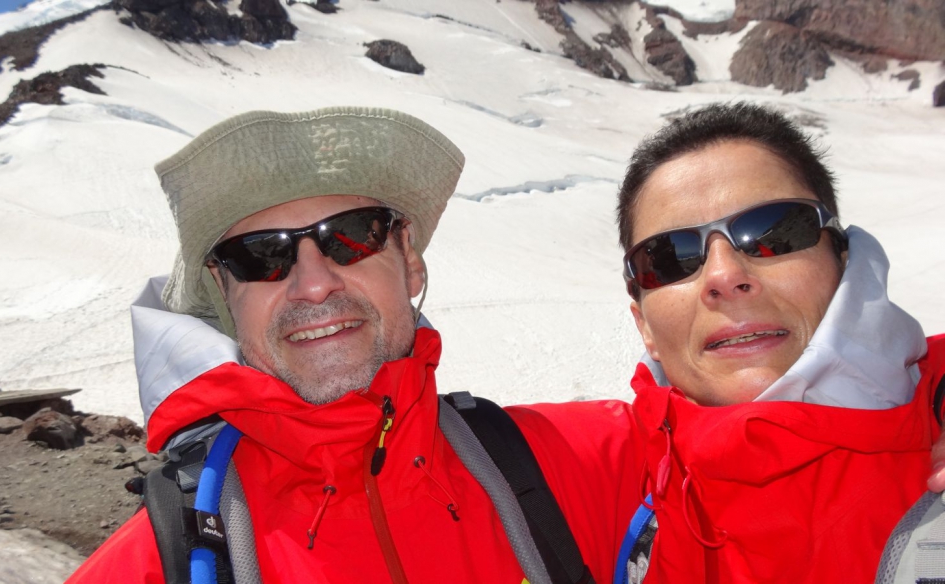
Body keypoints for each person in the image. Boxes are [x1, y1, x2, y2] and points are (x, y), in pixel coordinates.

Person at [67, 106, 642, 583]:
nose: (314, 284)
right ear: (225, 294)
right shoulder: (151, 564)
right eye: (261, 255)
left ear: (409, 261)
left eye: (350, 237)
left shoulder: (595, 465)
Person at [614, 102, 945, 582]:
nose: (725, 276)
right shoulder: (587, 484)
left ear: (843, 260)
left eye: (772, 232)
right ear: (644, 326)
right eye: (667, 257)